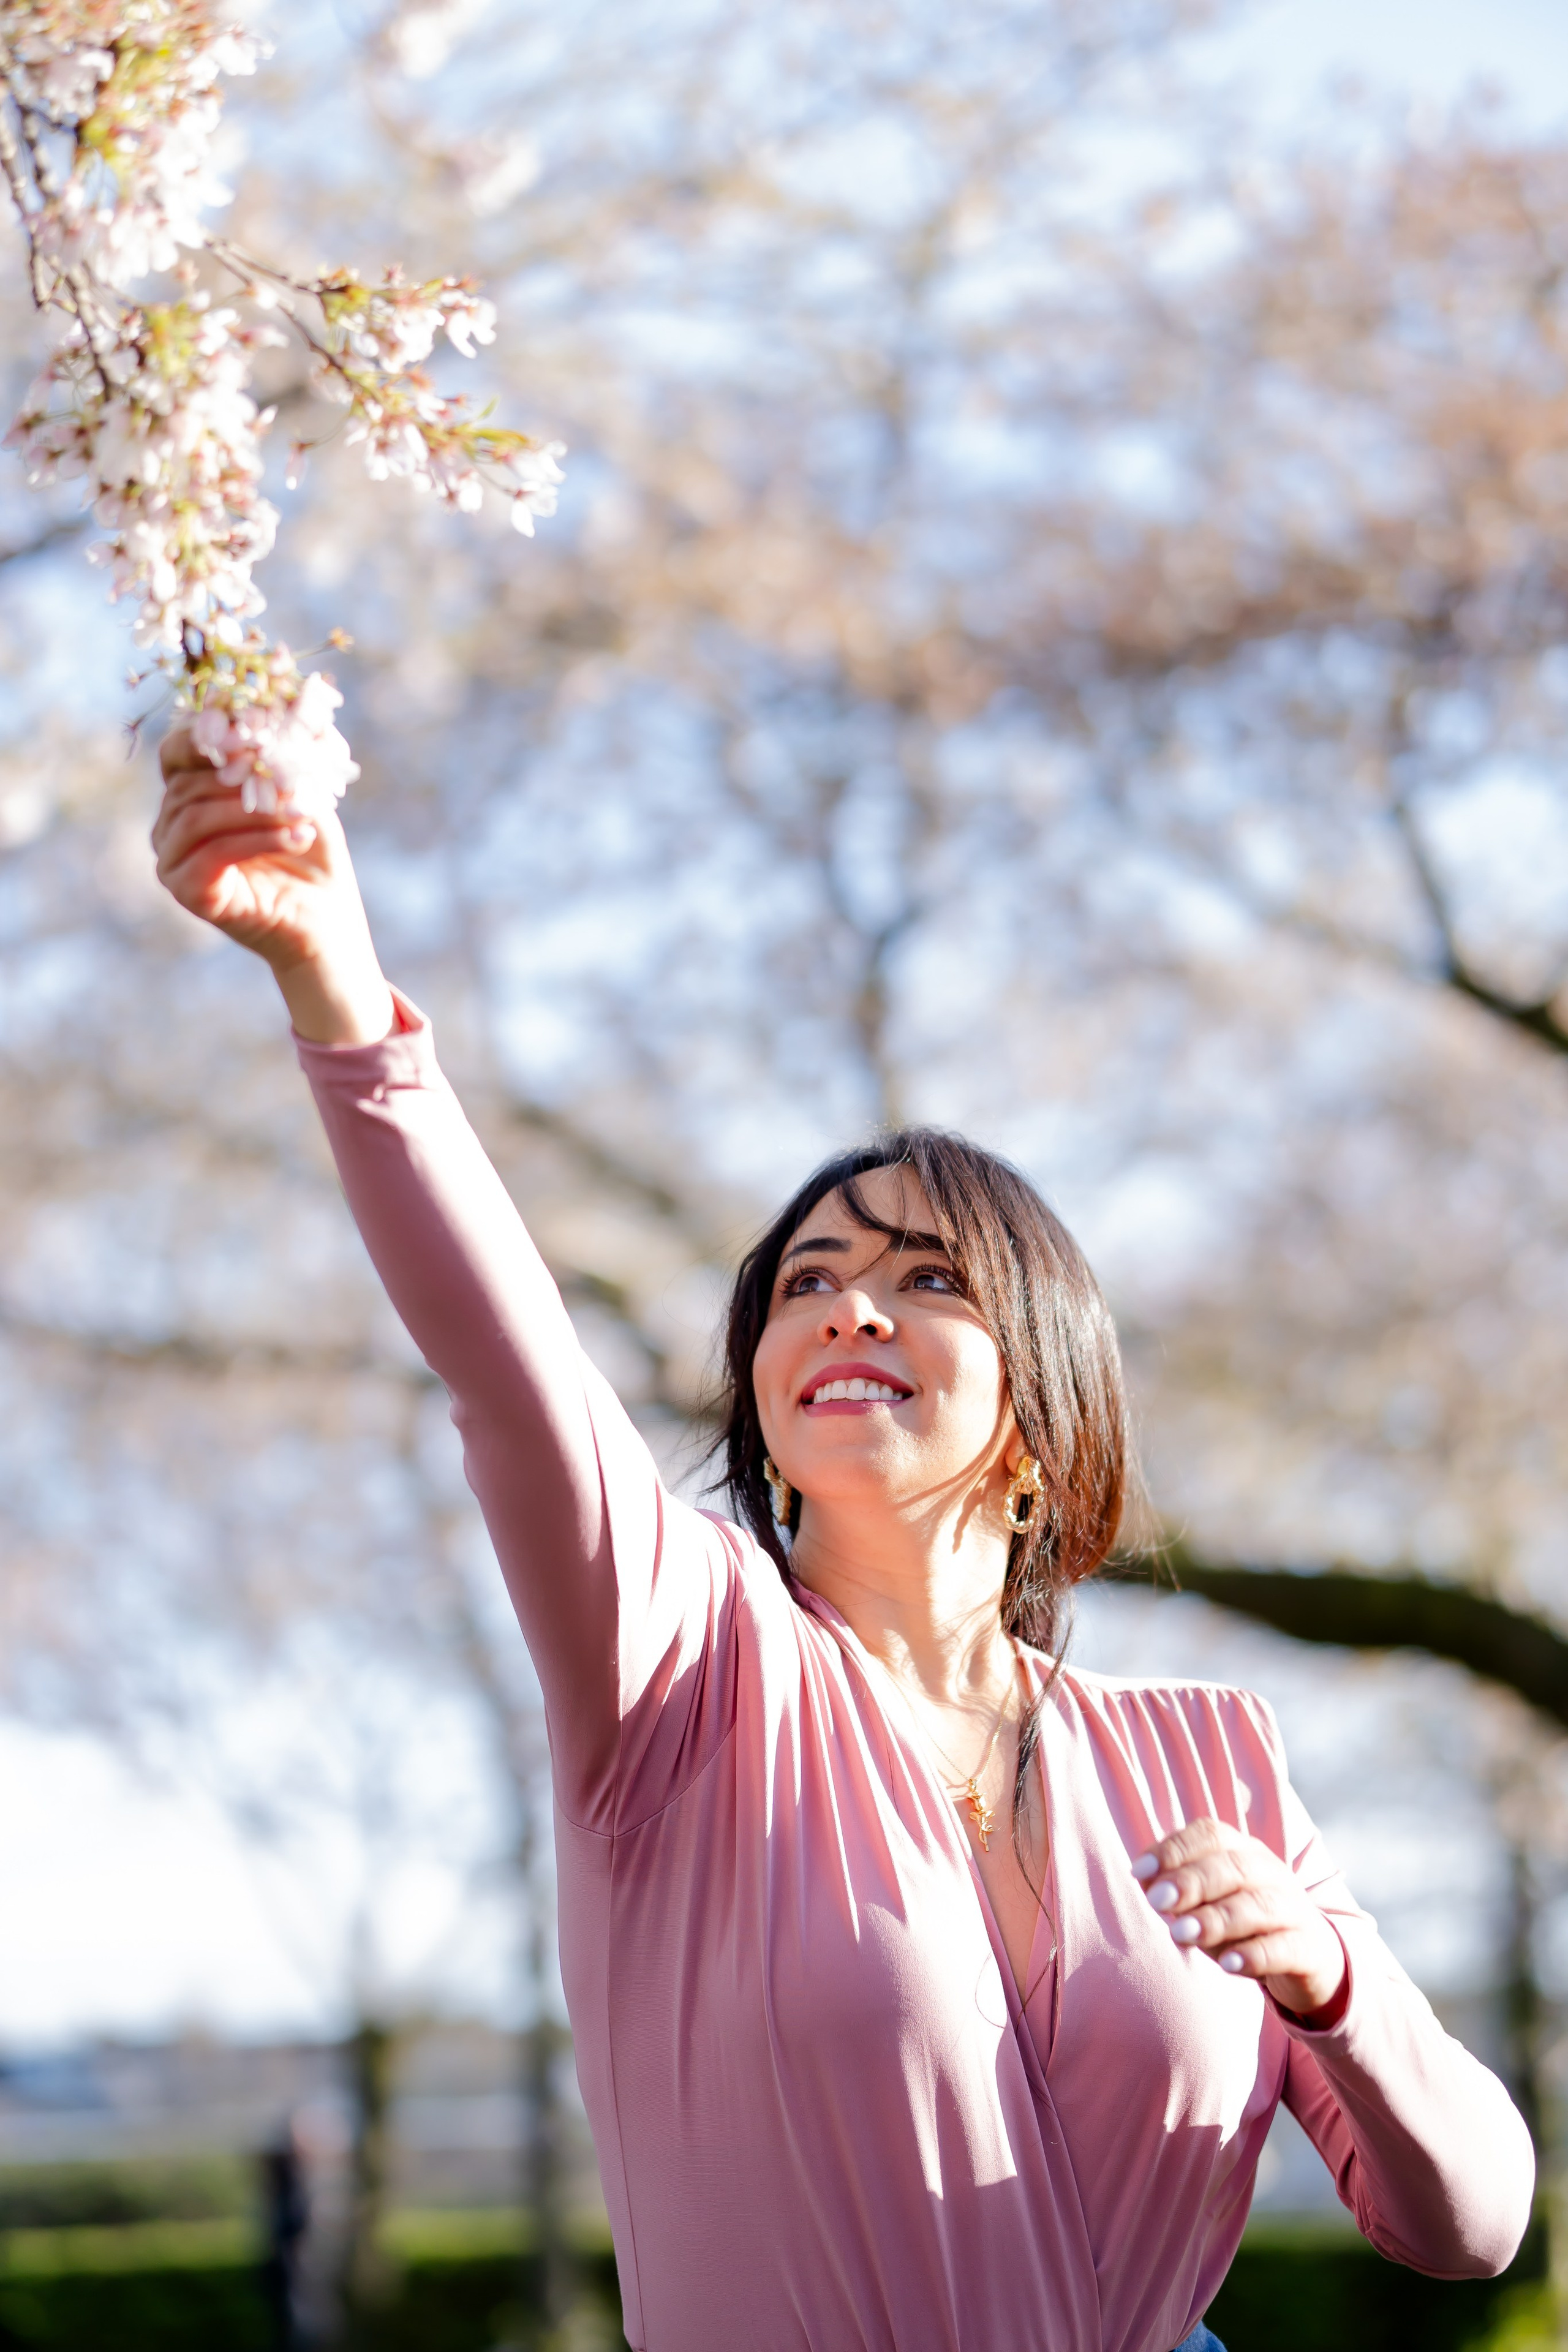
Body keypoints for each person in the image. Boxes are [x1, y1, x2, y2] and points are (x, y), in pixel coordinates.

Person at [152, 728, 1534, 2352]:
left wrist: (1331, 1981)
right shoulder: (678, 1664)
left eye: (927, 1276)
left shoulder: (1210, 1759)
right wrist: (338, 990)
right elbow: (513, 1378)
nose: (849, 1304)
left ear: (1039, 1404)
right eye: (804, 1282)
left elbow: (1469, 2226)